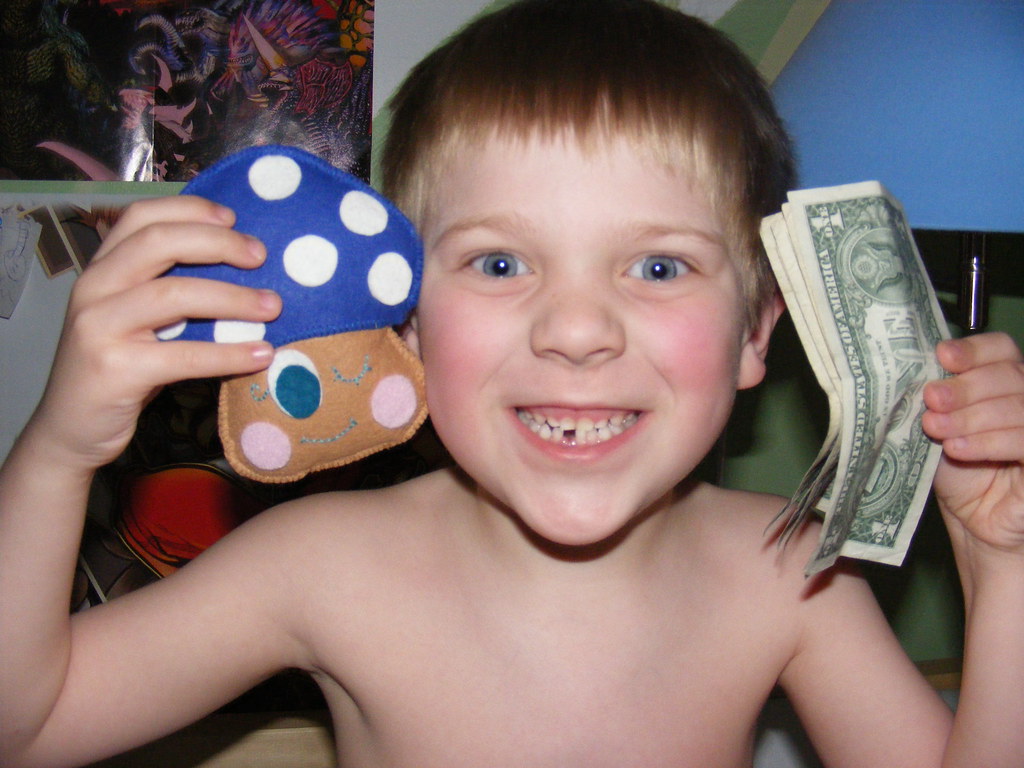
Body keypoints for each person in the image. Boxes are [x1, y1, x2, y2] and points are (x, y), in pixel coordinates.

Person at [2, 1, 1023, 766]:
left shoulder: (794, 577)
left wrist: (1003, 568)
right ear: (403, 320)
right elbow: (29, 723)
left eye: (658, 267)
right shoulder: (318, 567)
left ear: (757, 332)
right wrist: (59, 453)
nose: (576, 330)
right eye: (498, 264)